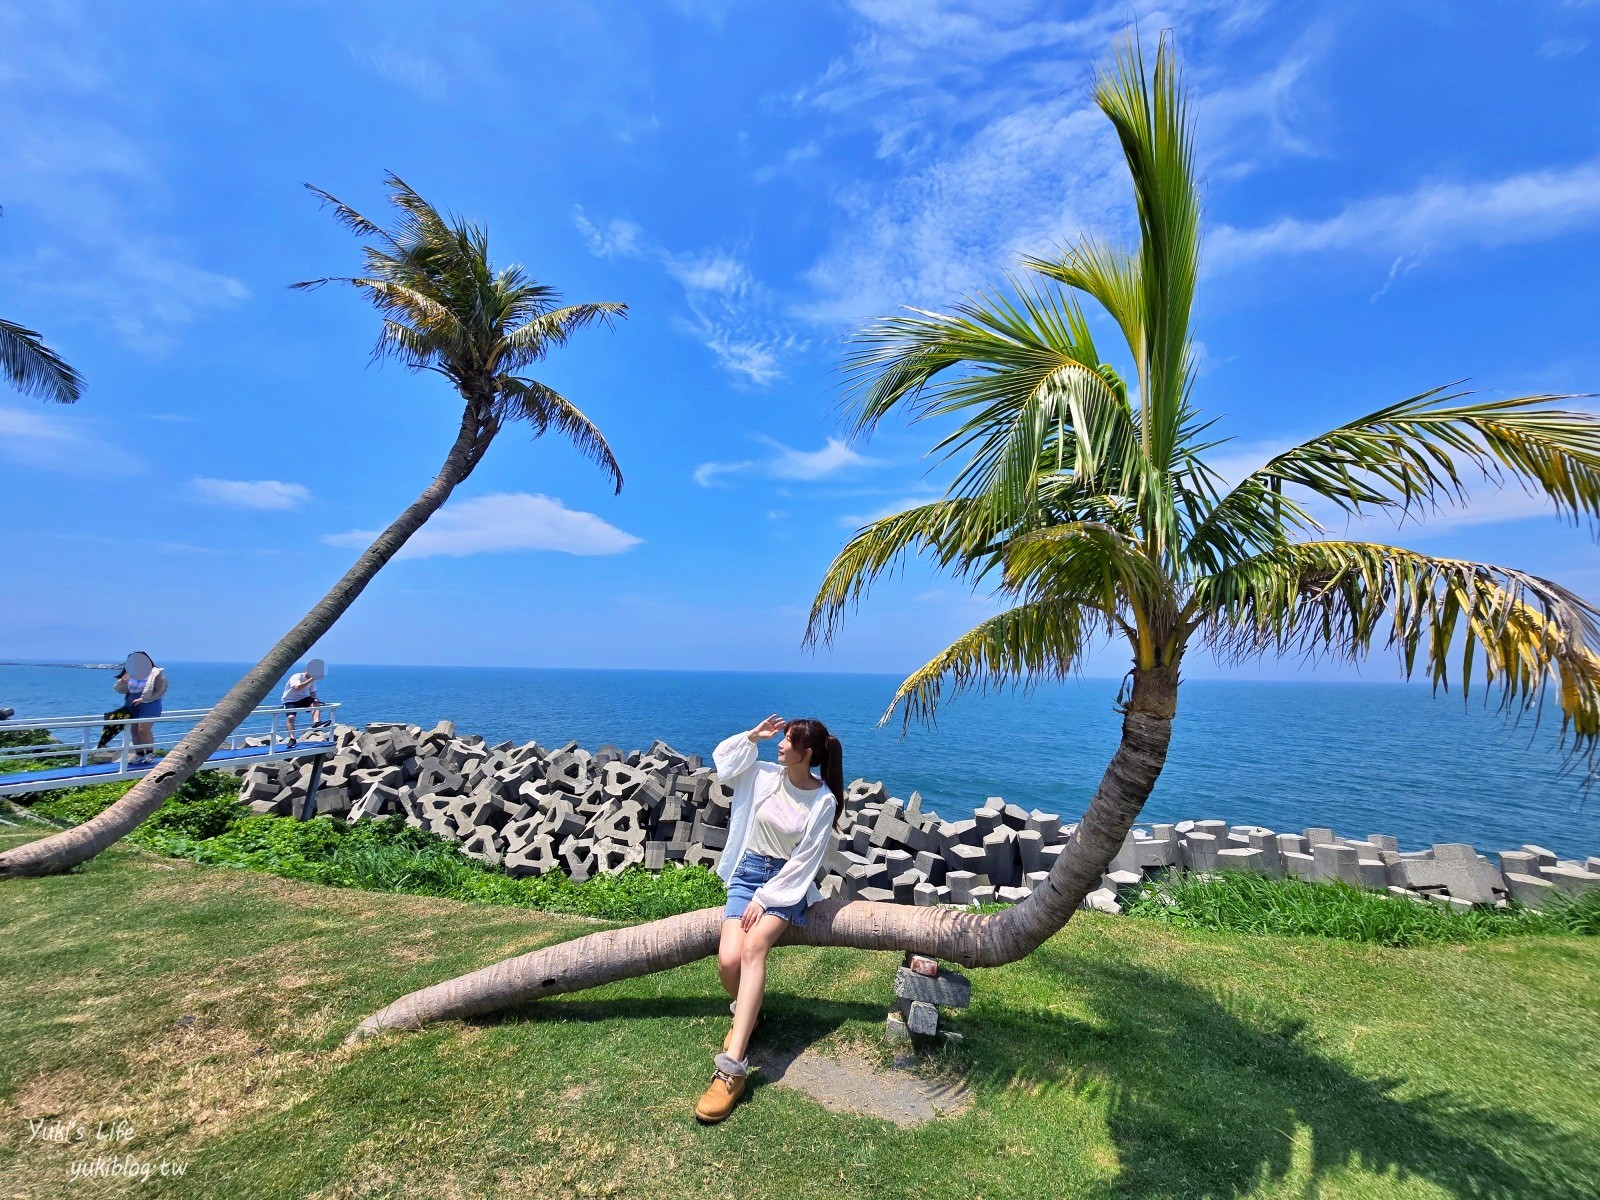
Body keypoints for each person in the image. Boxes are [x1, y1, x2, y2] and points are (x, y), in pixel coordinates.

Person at [695, 714, 844, 1124]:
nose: (779, 744)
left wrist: (768, 897)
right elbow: (723, 763)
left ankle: (730, 1070)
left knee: (755, 945)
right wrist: (751, 735)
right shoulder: (763, 775)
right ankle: (750, 1013)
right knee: (728, 962)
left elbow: (805, 862)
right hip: (746, 874)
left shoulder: (823, 800)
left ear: (807, 753)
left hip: (784, 883)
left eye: (786, 740)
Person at [114, 653, 167, 767]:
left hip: (150, 703)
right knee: (134, 730)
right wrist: (122, 682)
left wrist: (143, 699)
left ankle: (149, 754)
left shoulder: (156, 673)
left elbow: (161, 690)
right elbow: (120, 690)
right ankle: (139, 754)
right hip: (132, 703)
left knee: (143, 729)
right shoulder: (129, 673)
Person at [280, 669, 324, 745]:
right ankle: (292, 738)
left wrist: (315, 699)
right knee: (291, 717)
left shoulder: (312, 680)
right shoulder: (296, 676)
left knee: (315, 703)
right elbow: (297, 688)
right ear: (306, 669)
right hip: (289, 700)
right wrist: (311, 679)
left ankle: (316, 722)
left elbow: (312, 692)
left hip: (301, 699)